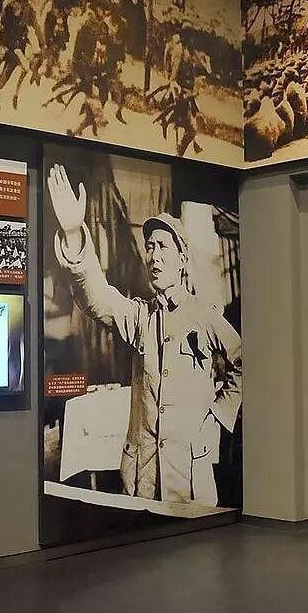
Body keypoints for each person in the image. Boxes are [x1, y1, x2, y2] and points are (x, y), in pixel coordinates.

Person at [46, 162, 241, 505]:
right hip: (142, 477)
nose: (153, 255)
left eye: (163, 247)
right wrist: (74, 235)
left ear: (182, 259)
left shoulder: (204, 314)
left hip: (188, 477)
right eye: (149, 246)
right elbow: (97, 298)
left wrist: (217, 414)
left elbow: (244, 362)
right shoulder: (140, 316)